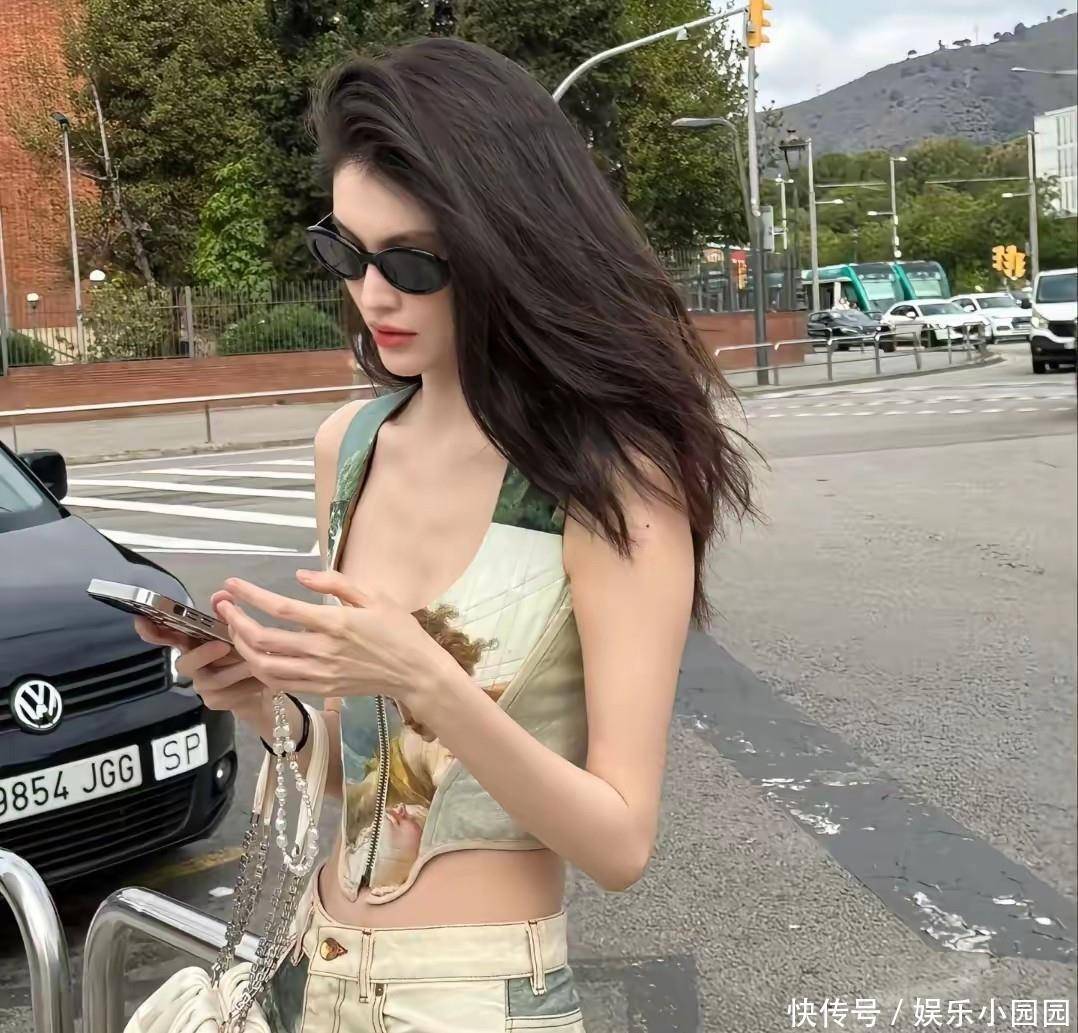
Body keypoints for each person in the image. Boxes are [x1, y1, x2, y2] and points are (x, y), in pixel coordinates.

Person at [137, 37, 754, 1033]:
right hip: (311, 971)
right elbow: (369, 780)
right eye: (346, 252)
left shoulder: (609, 478)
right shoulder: (349, 447)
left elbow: (619, 841)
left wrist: (424, 675)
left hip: (477, 995)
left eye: (413, 261)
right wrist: (263, 701)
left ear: (508, 246)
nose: (373, 294)